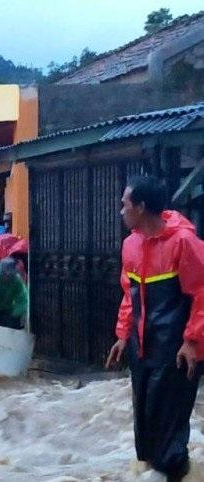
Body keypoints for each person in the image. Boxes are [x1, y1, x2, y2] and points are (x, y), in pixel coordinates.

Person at [105, 175, 204, 481]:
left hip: (177, 350)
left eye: (125, 204)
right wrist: (123, 335)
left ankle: (176, 472)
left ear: (141, 207)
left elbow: (202, 292)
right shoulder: (131, 245)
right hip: (142, 348)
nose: (121, 210)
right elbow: (129, 294)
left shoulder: (184, 242)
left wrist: (192, 341)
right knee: (146, 432)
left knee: (169, 432)